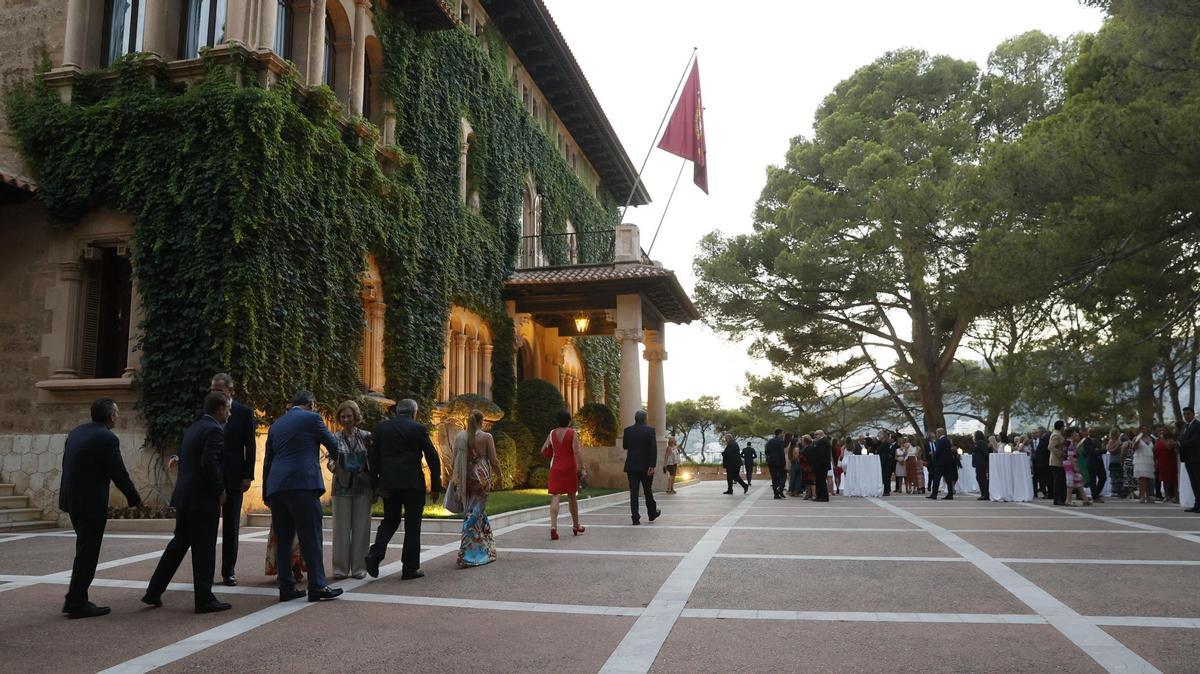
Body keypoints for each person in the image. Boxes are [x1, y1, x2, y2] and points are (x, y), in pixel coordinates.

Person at [142, 392, 233, 613]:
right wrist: (220, 490)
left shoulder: (194, 427)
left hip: (184, 496)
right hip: (202, 499)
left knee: (178, 545)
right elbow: (209, 462)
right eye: (228, 409)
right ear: (220, 409)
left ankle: (153, 591)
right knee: (204, 548)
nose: (230, 413)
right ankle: (204, 599)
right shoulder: (214, 430)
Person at [59, 398, 142, 619]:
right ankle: (77, 602)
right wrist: (135, 499)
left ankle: (75, 598)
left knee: (83, 550)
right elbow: (119, 473)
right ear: (111, 416)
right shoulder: (107, 438)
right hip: (90, 504)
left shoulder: (76, 432)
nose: (117, 416)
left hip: (72, 500)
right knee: (88, 552)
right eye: (116, 413)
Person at [263, 390, 343, 602]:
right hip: (303, 484)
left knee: (284, 539)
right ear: (311, 404)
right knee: (311, 536)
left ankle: (286, 587)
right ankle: (317, 585)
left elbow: (268, 461)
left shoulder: (276, 425)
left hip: (277, 487)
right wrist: (334, 461)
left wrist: (266, 492)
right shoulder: (312, 418)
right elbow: (333, 444)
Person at [366, 398, 441, 580]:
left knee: (390, 520)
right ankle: (409, 568)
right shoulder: (418, 429)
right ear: (414, 413)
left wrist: (375, 485)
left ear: (396, 411)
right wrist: (436, 487)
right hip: (412, 484)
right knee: (412, 525)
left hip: (389, 483)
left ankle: (375, 555)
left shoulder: (382, 429)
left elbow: (373, 459)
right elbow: (432, 457)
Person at [208, 374, 256, 587]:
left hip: (235, 476)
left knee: (231, 526)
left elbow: (250, 446)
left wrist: (248, 475)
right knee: (208, 525)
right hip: (211, 476)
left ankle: (229, 571)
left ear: (229, 391)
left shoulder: (244, 412)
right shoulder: (206, 412)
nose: (216, 393)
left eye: (219, 390)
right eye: (213, 390)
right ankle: (206, 571)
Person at [326, 400, 373, 580]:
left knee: (362, 527)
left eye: (349, 416)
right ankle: (340, 568)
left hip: (363, 486)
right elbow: (329, 460)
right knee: (341, 528)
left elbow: (373, 462)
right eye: (343, 416)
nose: (346, 419)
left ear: (355, 417)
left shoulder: (367, 436)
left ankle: (360, 567)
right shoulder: (334, 438)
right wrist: (335, 468)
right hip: (341, 486)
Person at [455, 410, 500, 567]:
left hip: (467, 476)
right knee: (473, 514)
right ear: (482, 421)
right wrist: (500, 476)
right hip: (482, 477)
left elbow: (456, 458)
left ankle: (485, 548)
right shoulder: (487, 437)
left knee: (477, 512)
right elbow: (493, 460)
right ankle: (468, 554)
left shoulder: (462, 436)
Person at [543, 409, 587, 540]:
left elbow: (543, 449)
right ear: (569, 421)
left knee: (555, 495)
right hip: (569, 467)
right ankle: (576, 525)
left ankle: (553, 527)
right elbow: (577, 451)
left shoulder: (552, 433)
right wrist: (583, 467)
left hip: (555, 467)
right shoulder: (572, 433)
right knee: (572, 496)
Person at [622, 410, 660, 524]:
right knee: (648, 490)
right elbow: (653, 448)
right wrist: (652, 465)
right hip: (646, 466)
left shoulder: (628, 431)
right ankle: (652, 513)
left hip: (631, 466)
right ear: (645, 418)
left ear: (635, 418)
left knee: (634, 493)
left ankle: (635, 518)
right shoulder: (650, 430)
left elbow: (625, 446)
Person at [927, 428, 956, 500]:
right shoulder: (947, 440)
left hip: (940, 463)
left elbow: (938, 451)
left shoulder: (940, 441)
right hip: (947, 463)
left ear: (939, 433)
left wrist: (933, 456)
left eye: (936, 433)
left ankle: (934, 494)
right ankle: (950, 494)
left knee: (937, 478)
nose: (936, 434)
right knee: (948, 479)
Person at [1157, 424, 1181, 504]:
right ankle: (1166, 496)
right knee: (1164, 479)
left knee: (1173, 479)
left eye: (1164, 430)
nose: (1162, 432)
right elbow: (1155, 450)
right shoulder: (1158, 440)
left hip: (1170, 460)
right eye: (1161, 430)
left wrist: (1165, 441)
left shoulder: (1172, 439)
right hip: (1161, 460)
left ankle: (1176, 496)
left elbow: (1170, 448)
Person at [1132, 425, 1156, 504]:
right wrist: (1137, 441)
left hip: (1149, 459)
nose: (1144, 430)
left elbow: (1153, 449)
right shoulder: (1137, 438)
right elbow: (1133, 448)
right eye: (1142, 429)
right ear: (1140, 430)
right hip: (1140, 459)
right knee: (1142, 478)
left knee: (1149, 479)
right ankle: (1142, 496)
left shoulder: (1151, 439)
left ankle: (1148, 496)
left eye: (1145, 429)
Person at [807, 431, 832, 501]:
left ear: (821, 434)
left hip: (821, 465)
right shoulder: (821, 441)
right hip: (819, 465)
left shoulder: (823, 441)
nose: (815, 436)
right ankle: (819, 496)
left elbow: (821, 453)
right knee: (818, 481)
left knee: (821, 481)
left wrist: (814, 444)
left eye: (816, 435)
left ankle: (823, 497)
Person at [764, 429, 787, 499]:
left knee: (774, 477)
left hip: (771, 461)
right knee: (783, 476)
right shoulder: (780, 441)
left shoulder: (770, 441)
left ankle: (776, 494)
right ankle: (780, 489)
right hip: (779, 462)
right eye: (783, 433)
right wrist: (784, 463)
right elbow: (781, 453)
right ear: (780, 433)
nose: (783, 434)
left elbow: (766, 451)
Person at [1049, 420, 1066, 506]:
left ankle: (1061, 498)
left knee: (1061, 480)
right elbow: (1051, 447)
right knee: (1058, 481)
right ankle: (1057, 499)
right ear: (1061, 427)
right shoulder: (1056, 435)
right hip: (1056, 461)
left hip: (1059, 461)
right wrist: (1061, 453)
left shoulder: (1058, 434)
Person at [1107, 430, 1126, 499]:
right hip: (1114, 460)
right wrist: (1117, 446)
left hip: (1119, 460)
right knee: (1115, 476)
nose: (1119, 434)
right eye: (1118, 432)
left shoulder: (1120, 440)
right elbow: (1110, 450)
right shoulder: (1111, 441)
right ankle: (1115, 491)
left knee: (1120, 476)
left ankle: (1121, 490)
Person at [972, 431, 991, 501]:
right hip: (980, 463)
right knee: (980, 478)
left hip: (981, 463)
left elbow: (984, 452)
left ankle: (985, 494)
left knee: (981, 478)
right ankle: (984, 493)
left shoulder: (980, 443)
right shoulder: (981, 442)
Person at [1033, 427, 1051, 499]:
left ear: (1041, 432)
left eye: (1037, 432)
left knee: (1046, 478)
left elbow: (1044, 450)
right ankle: (1046, 492)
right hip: (1040, 462)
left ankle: (1049, 492)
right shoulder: (1042, 438)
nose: (1037, 434)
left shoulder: (1045, 438)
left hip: (1044, 462)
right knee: (1043, 478)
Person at [878, 431, 897, 496]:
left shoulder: (885, 444)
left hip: (885, 462)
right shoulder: (882, 443)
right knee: (885, 476)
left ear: (883, 436)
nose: (878, 437)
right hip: (883, 461)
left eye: (879, 436)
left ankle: (886, 490)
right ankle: (886, 489)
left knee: (886, 476)